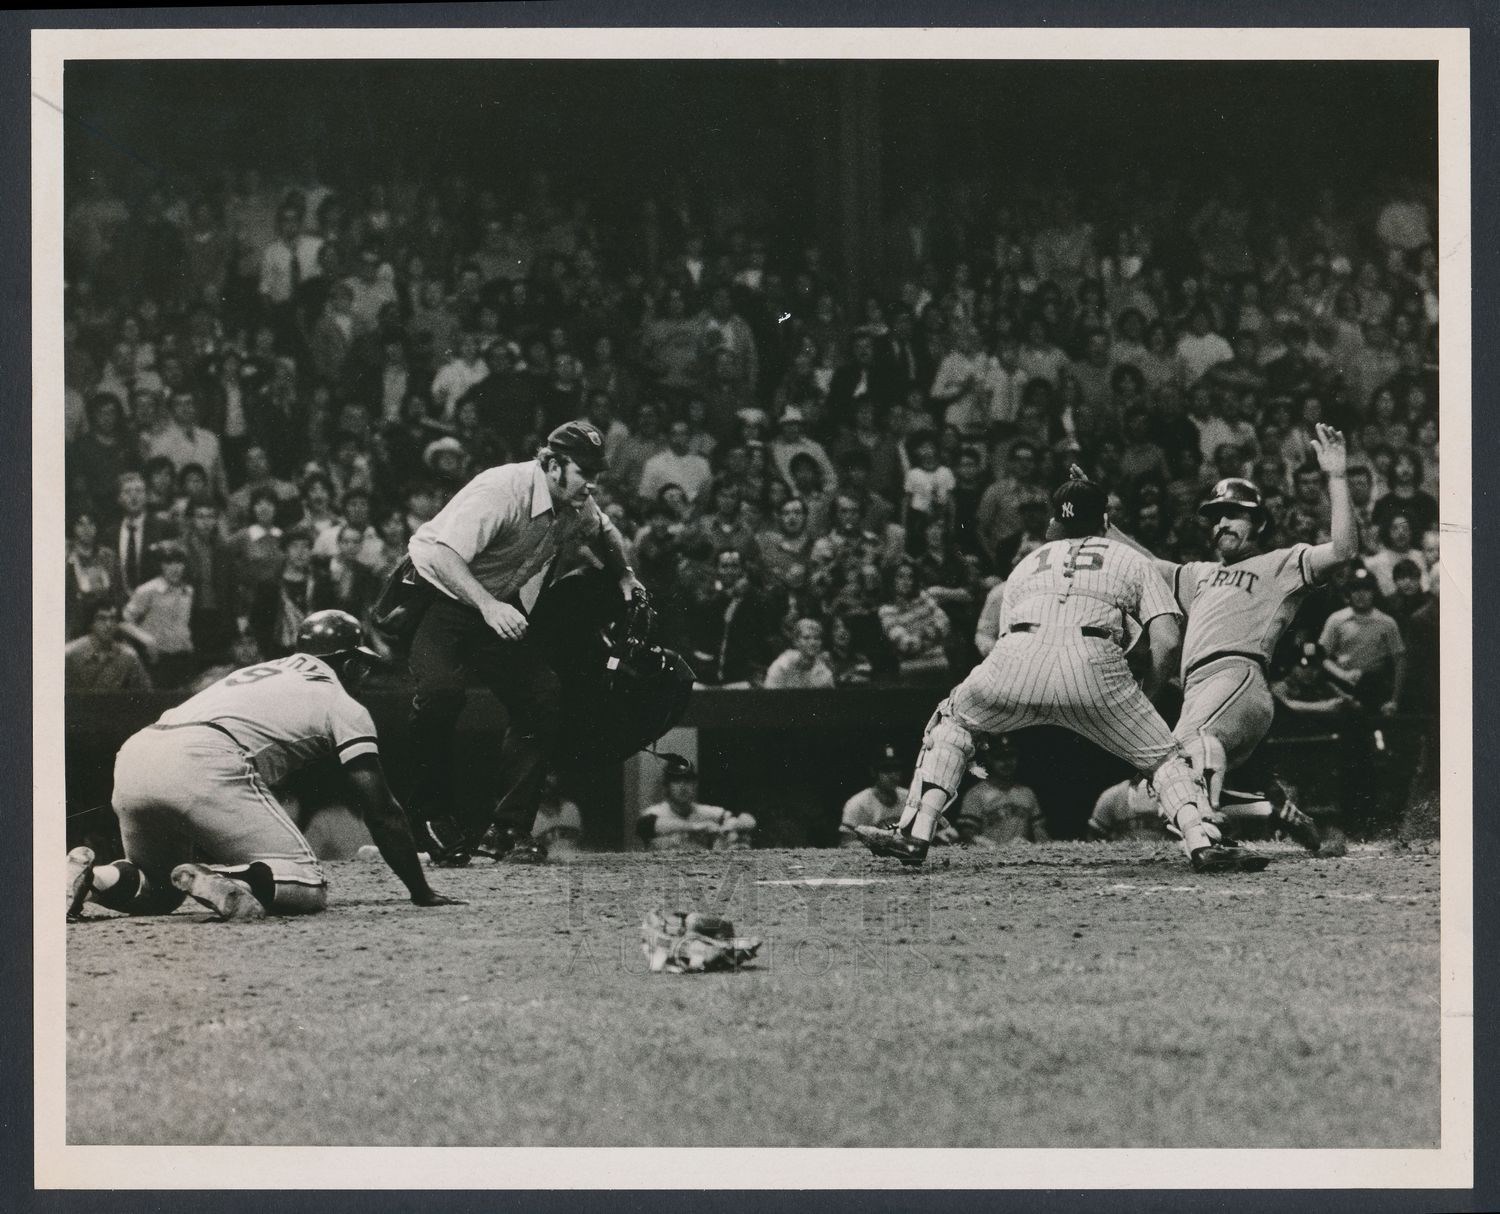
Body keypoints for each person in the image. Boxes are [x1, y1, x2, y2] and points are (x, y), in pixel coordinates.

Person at [855, 468, 1250, 873]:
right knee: (1164, 759)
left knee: (951, 723)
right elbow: (1167, 639)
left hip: (1017, 659)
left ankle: (915, 832)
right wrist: (1146, 697)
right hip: (1093, 667)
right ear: (1105, 522)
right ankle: (1202, 841)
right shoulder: (1129, 557)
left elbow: (1005, 637)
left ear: (1055, 522)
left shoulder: (1028, 562)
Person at [65, 610, 462, 922]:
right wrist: (420, 891)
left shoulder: (262, 671)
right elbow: (381, 809)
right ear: (350, 664)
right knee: (307, 882)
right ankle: (228, 879)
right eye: (361, 665)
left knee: (157, 888)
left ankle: (90, 877)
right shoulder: (342, 703)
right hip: (205, 756)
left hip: (138, 752)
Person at [396, 420, 645, 865]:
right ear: (551, 464)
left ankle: (507, 830)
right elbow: (446, 555)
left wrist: (625, 575)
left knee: (541, 695)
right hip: (438, 594)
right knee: (440, 694)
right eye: (583, 470)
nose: (591, 482)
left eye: (595, 472)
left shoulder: (574, 499)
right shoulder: (502, 490)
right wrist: (490, 607)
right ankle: (428, 819)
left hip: (492, 601)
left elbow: (604, 532)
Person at [1129, 425, 1354, 854]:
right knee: (1160, 787)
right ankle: (1271, 810)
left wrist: (1337, 478)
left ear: (1259, 522)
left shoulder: (1279, 563)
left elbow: (1343, 550)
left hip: (1238, 676)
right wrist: (1098, 526)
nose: (1221, 524)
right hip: (1201, 690)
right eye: (1215, 517)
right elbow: (1145, 563)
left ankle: (1212, 839)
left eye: (1233, 514)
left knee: (1187, 757)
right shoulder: (1200, 574)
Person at [635, 758, 756, 852]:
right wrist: (696, 827)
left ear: (694, 785)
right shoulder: (657, 812)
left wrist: (731, 827)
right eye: (677, 781)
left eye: (687, 780)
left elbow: (747, 820)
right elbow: (644, 825)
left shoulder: (704, 811)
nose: (683, 786)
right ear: (667, 786)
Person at [952, 736, 1047, 846]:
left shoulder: (1027, 793)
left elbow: (1040, 833)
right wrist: (999, 846)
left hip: (1021, 854)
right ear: (989, 758)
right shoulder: (975, 794)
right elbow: (967, 836)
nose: (1006, 762)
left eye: (1010, 756)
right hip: (989, 856)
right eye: (999, 757)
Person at [64, 602, 152, 692]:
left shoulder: (127, 657)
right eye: (102, 619)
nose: (108, 625)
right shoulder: (70, 655)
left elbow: (146, 693)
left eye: (113, 619)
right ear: (91, 623)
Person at [838, 745, 909, 846]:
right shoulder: (858, 804)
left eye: (896, 769)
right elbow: (847, 843)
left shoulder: (909, 798)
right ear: (874, 772)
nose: (893, 775)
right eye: (886, 770)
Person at [764, 617, 836, 689]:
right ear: (796, 641)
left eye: (816, 638)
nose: (812, 643)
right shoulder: (782, 666)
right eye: (806, 638)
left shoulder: (824, 673)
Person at [530, 769, 584, 857]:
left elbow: (582, 843)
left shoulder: (571, 808)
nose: (546, 779)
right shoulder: (525, 814)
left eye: (551, 773)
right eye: (540, 775)